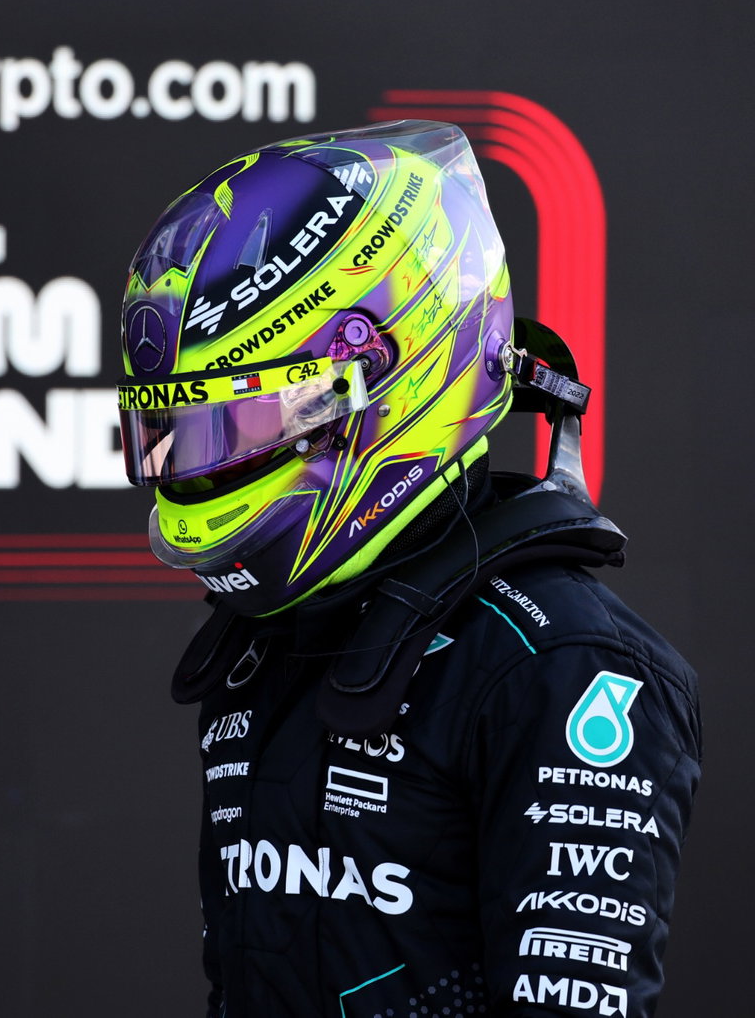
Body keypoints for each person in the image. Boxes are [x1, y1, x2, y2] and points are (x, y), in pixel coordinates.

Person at [115, 121, 701, 1017]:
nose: (203, 470)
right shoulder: (264, 646)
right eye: (180, 436)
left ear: (387, 379)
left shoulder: (560, 668)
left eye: (237, 428)